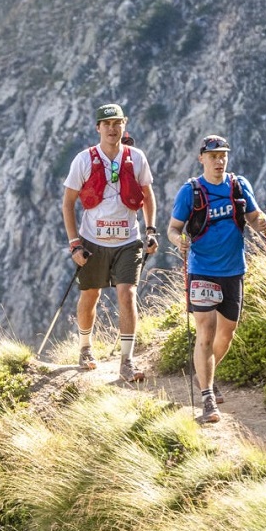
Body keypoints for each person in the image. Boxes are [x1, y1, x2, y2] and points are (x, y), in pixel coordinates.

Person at [168, 134, 266, 424]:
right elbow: (173, 228)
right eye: (213, 156)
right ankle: (207, 399)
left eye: (223, 155)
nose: (219, 160)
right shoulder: (190, 191)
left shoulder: (238, 185)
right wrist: (179, 241)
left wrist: (265, 221)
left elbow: (254, 216)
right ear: (202, 158)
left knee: (227, 333)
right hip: (201, 270)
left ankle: (206, 371)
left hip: (234, 270)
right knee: (206, 330)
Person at [61, 103, 158, 380]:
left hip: (128, 240)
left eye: (117, 123)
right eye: (107, 124)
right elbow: (68, 204)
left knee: (127, 294)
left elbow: (148, 196)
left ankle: (126, 362)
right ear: (98, 128)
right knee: (91, 294)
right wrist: (75, 244)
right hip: (93, 240)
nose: (113, 129)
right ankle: (85, 348)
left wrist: (151, 230)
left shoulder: (137, 158)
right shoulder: (83, 160)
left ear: (124, 125)